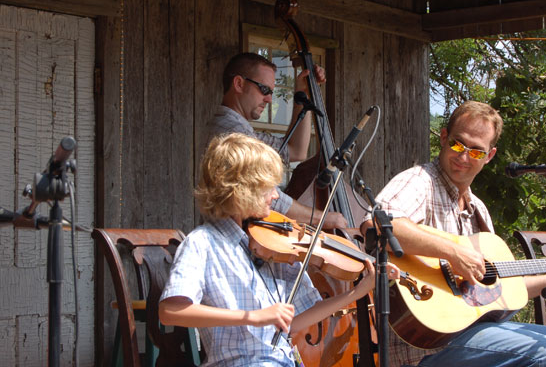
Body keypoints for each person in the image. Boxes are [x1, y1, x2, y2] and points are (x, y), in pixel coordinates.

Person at [361, 101, 546, 367]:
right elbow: (376, 225)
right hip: (424, 346)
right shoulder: (419, 181)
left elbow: (503, 290)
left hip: (472, 334)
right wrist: (452, 252)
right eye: (458, 144)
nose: (463, 157)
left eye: (476, 152)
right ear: (444, 138)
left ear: (489, 156)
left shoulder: (478, 209)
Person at [160, 133, 397, 366]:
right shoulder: (202, 243)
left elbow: (293, 323)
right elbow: (170, 311)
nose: (276, 195)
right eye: (268, 187)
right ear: (241, 189)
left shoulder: (273, 244)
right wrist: (252, 317)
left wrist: (355, 294)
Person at [206, 52, 347, 229]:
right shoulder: (231, 132)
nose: (269, 99)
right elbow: (263, 194)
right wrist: (321, 218)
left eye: (271, 92)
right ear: (239, 84)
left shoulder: (243, 130)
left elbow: (296, 150)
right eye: (264, 90)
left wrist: (303, 94)